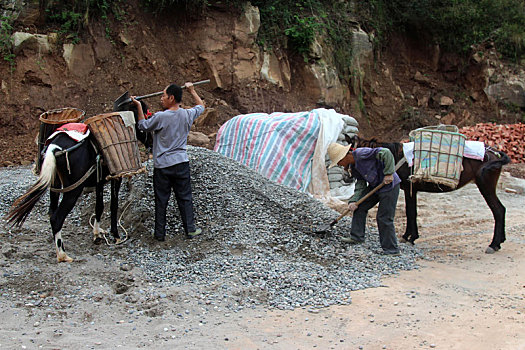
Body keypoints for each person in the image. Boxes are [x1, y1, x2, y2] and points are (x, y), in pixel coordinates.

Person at [131, 82, 205, 241]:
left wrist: (138, 106)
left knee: (161, 199)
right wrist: (192, 90)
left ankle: (159, 234)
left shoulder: (161, 117)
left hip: (163, 166)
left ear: (172, 98)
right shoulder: (187, 114)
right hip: (181, 163)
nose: (161, 98)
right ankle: (190, 230)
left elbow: (142, 126)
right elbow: (201, 106)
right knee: (185, 197)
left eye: (163, 96)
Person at [327, 142, 401, 255]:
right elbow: (360, 184)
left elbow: (386, 153)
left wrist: (388, 173)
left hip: (389, 186)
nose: (340, 165)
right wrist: (354, 201)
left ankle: (391, 249)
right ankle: (356, 237)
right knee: (359, 207)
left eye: (339, 162)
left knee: (384, 217)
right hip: (375, 186)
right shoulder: (354, 167)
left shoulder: (362, 154)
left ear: (345, 156)